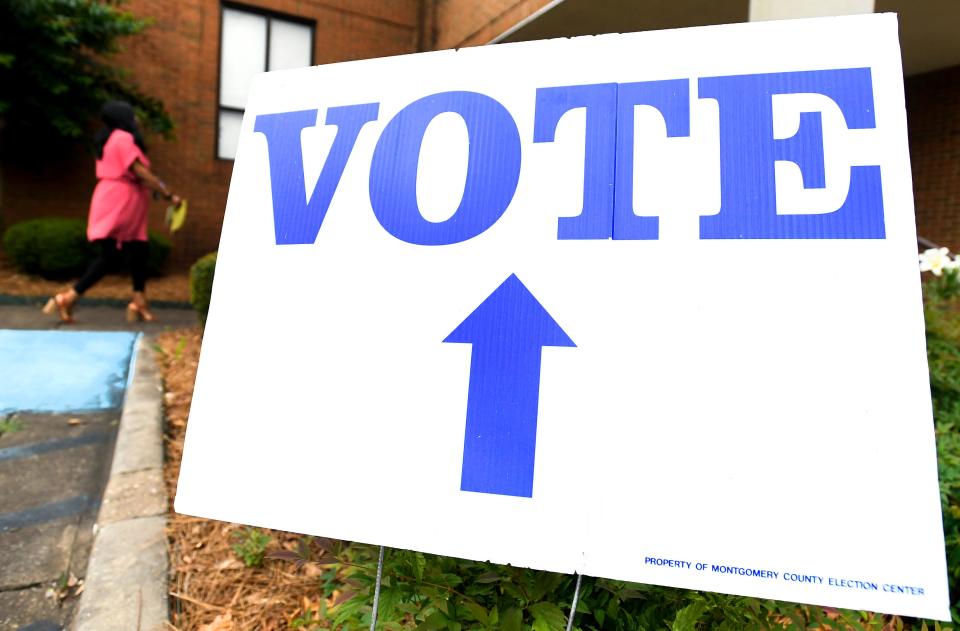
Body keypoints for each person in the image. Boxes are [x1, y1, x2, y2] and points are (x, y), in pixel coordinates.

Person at [43, 100, 182, 323]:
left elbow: (137, 175)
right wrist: (167, 193)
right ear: (124, 117)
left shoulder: (111, 139)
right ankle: (68, 297)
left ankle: (139, 302)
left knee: (139, 250)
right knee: (111, 255)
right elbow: (138, 170)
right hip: (120, 200)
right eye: (133, 115)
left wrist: (159, 192)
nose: (137, 119)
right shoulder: (122, 137)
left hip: (123, 198)